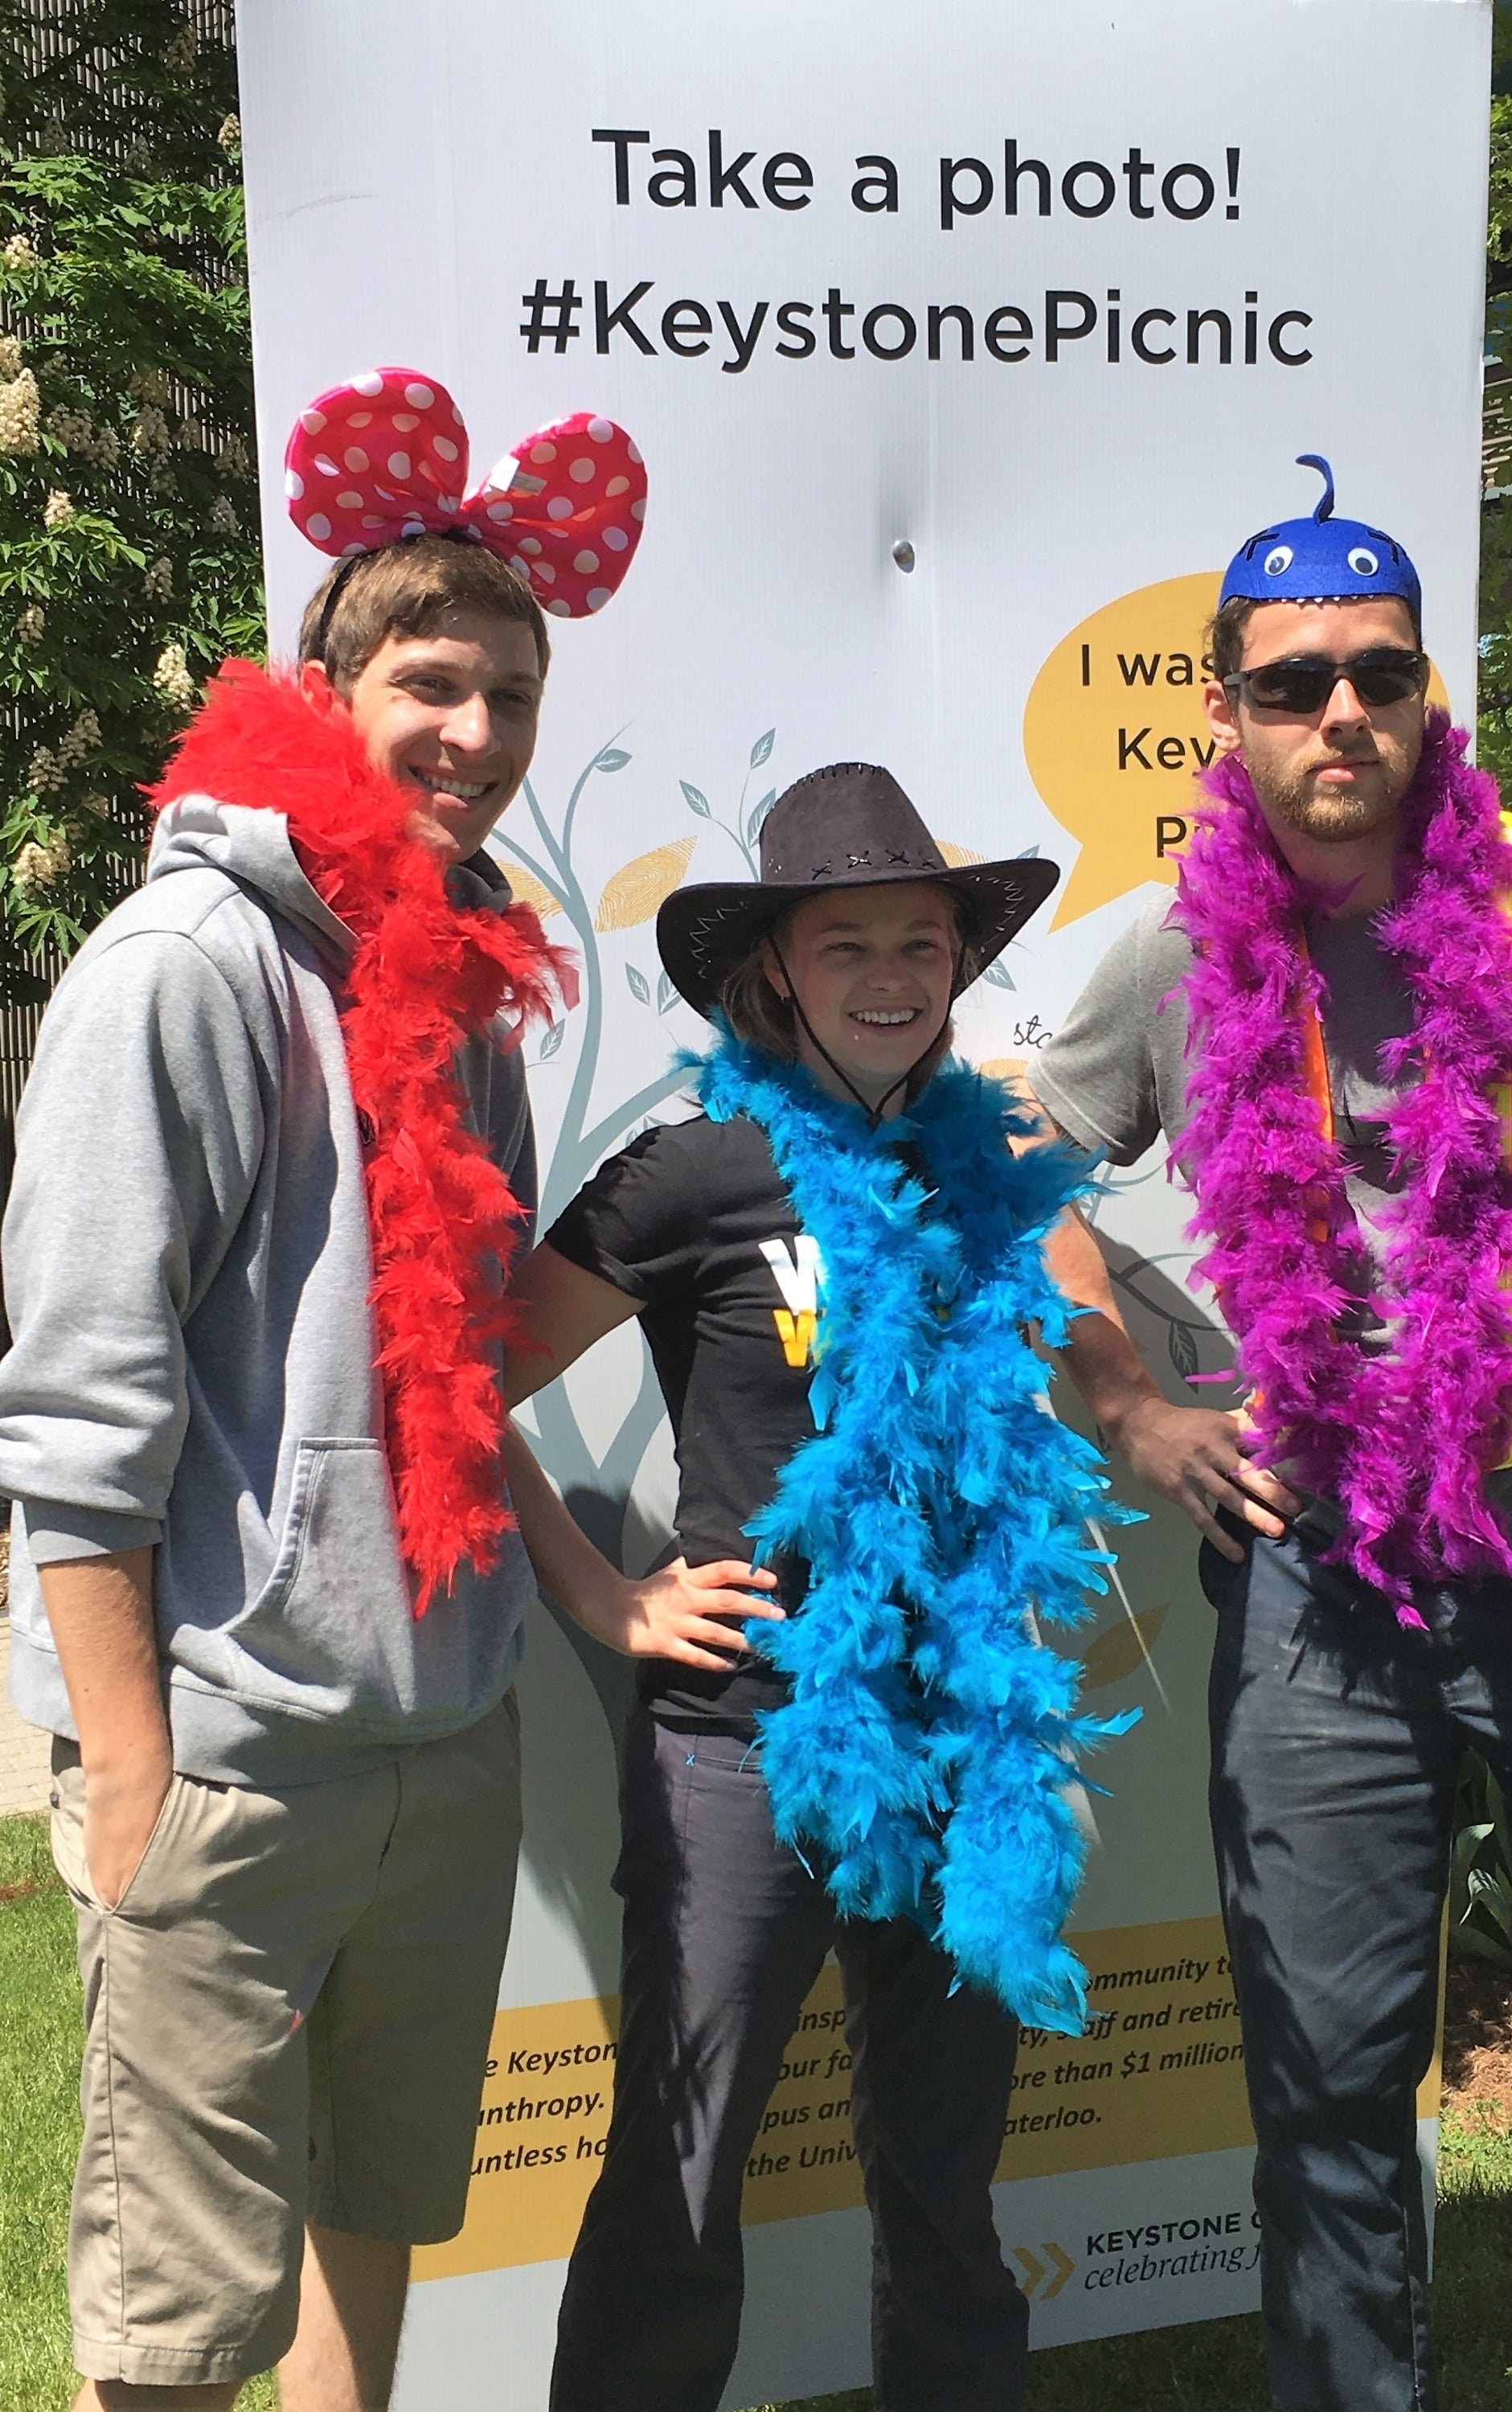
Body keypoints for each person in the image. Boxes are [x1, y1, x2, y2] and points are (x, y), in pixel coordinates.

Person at [1027, 455, 1512, 2410]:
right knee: (1326, 2107)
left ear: (1429, 688)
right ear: (1225, 712)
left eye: (1379, 673)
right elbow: (981, 1183)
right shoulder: (1169, 957)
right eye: (1292, 685)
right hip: (1312, 1589)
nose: (1342, 715)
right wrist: (1129, 1404)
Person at [0, 366, 645, 2411]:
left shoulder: (465, 987)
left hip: (444, 1734)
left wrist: (567, 1593)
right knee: (180, 2322)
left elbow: (454, 1380)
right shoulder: (182, 967)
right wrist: (125, 1776)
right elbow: (74, 1421)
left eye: (512, 698)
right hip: (230, 1752)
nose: (474, 736)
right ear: (327, 682)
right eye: (434, 683)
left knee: (376, 2225)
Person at [499, 763, 1130, 2412]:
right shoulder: (696, 1169)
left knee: (945, 2187)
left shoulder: (990, 1169)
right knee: (680, 2188)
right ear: (777, 968)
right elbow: (446, 1378)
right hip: (740, 1746)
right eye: (846, 943)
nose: (890, 976)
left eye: (919, 940)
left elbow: (1087, 1346)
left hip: (965, 1747)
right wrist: (603, 1596)